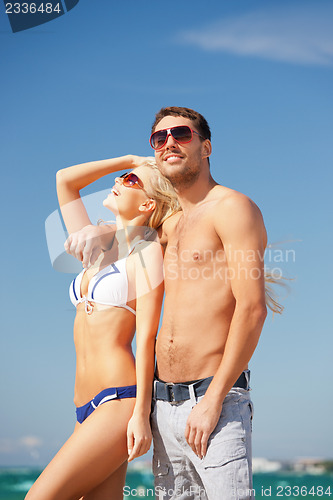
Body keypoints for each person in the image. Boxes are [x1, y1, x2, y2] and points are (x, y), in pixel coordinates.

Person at [65, 107, 282, 500]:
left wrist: (213, 399)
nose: (169, 143)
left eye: (181, 135)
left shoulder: (233, 208)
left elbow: (252, 309)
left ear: (206, 147)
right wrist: (102, 229)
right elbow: (128, 228)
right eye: (160, 138)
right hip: (162, 408)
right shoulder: (168, 225)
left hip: (213, 403)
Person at [25, 155, 180, 500]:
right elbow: (65, 180)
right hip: (84, 406)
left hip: (118, 400)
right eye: (123, 177)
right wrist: (128, 160)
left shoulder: (147, 252)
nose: (120, 181)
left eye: (131, 180)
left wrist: (141, 413)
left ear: (148, 203)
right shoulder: (95, 245)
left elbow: (147, 338)